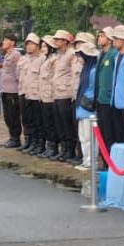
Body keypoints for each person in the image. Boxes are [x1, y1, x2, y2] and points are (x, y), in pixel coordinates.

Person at [51, 29, 79, 162]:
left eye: (58, 40)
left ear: (65, 41)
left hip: (66, 94)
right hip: (56, 93)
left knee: (67, 124)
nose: (55, 42)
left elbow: (74, 74)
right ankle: (64, 149)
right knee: (59, 124)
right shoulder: (58, 55)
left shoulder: (71, 55)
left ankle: (70, 150)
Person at [74, 41, 100, 170]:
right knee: (82, 136)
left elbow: (94, 89)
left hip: (89, 108)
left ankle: (91, 161)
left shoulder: (94, 70)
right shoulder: (85, 69)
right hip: (81, 107)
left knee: (90, 137)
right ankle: (85, 160)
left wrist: (86, 101)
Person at [18, 34, 44, 154]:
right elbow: (18, 74)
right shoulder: (23, 59)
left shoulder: (42, 59)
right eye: (27, 44)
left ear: (37, 45)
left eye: (31, 44)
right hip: (24, 92)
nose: (28, 46)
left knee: (37, 120)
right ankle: (29, 140)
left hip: (36, 94)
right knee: (26, 119)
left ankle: (37, 143)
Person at [109, 25, 124, 147]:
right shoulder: (117, 56)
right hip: (116, 101)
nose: (113, 41)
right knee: (118, 135)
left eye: (116, 38)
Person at [0, 33, 22, 148]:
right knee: (7, 116)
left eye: (6, 40)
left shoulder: (16, 55)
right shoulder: (7, 55)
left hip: (13, 91)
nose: (3, 42)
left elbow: (19, 72)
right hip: (5, 90)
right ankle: (11, 137)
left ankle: (16, 138)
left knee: (13, 116)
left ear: (12, 42)